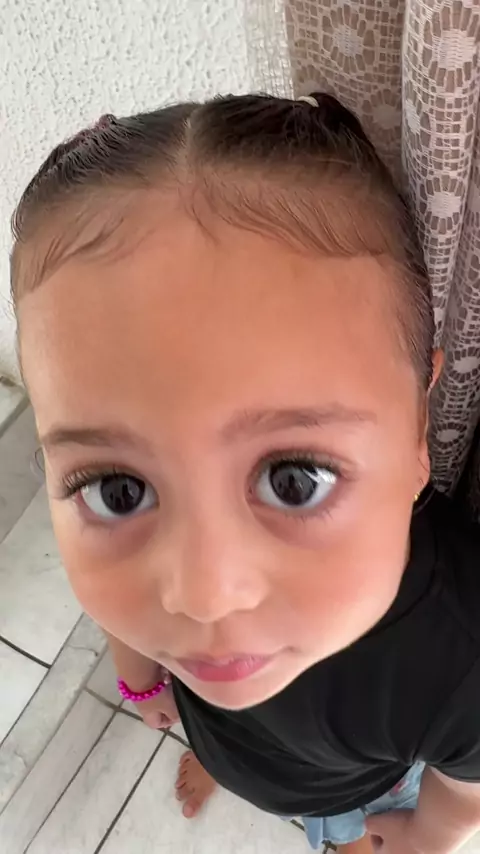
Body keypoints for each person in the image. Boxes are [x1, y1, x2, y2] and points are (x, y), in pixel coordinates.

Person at [10, 93, 480, 854]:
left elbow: (464, 786)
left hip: (348, 785)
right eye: (117, 490)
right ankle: (225, 762)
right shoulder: (193, 626)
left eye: (295, 478)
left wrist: (426, 837)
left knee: (339, 824)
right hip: (230, 739)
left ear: (417, 427)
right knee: (232, 734)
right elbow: (124, 612)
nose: (202, 596)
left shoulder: (463, 657)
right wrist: (141, 675)